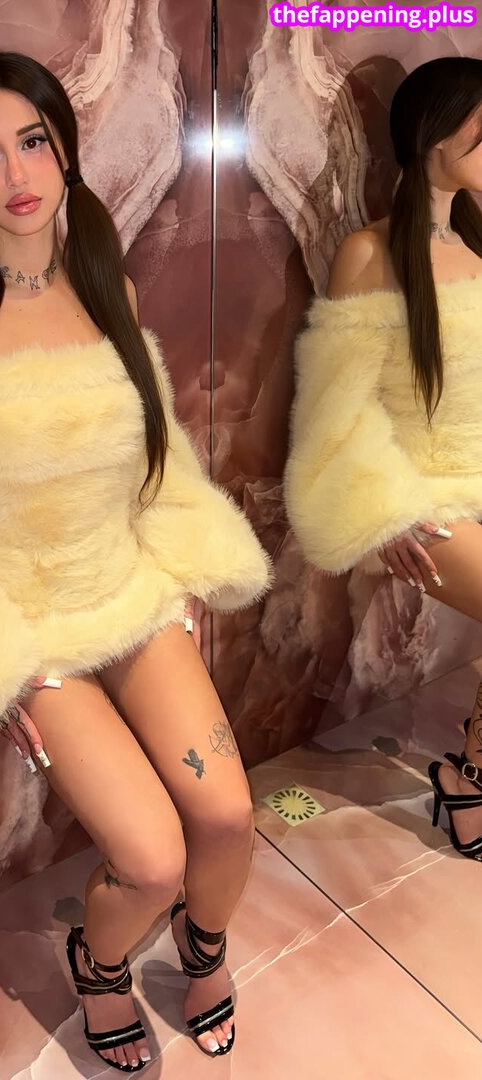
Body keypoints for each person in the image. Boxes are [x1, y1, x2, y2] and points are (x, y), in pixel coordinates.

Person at [0, 52, 271, 1070]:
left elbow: (151, 454)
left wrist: (175, 570)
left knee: (229, 815)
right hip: (32, 632)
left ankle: (204, 954)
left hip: (126, 590)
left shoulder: (108, 287)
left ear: (67, 150)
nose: (16, 172)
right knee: (151, 860)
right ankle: (100, 965)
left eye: (32, 141)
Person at [285, 57, 482, 862]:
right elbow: (335, 411)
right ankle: (472, 776)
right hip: (425, 497)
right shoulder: (370, 253)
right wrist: (388, 509)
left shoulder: (478, 241)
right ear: (434, 139)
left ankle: (471, 771)